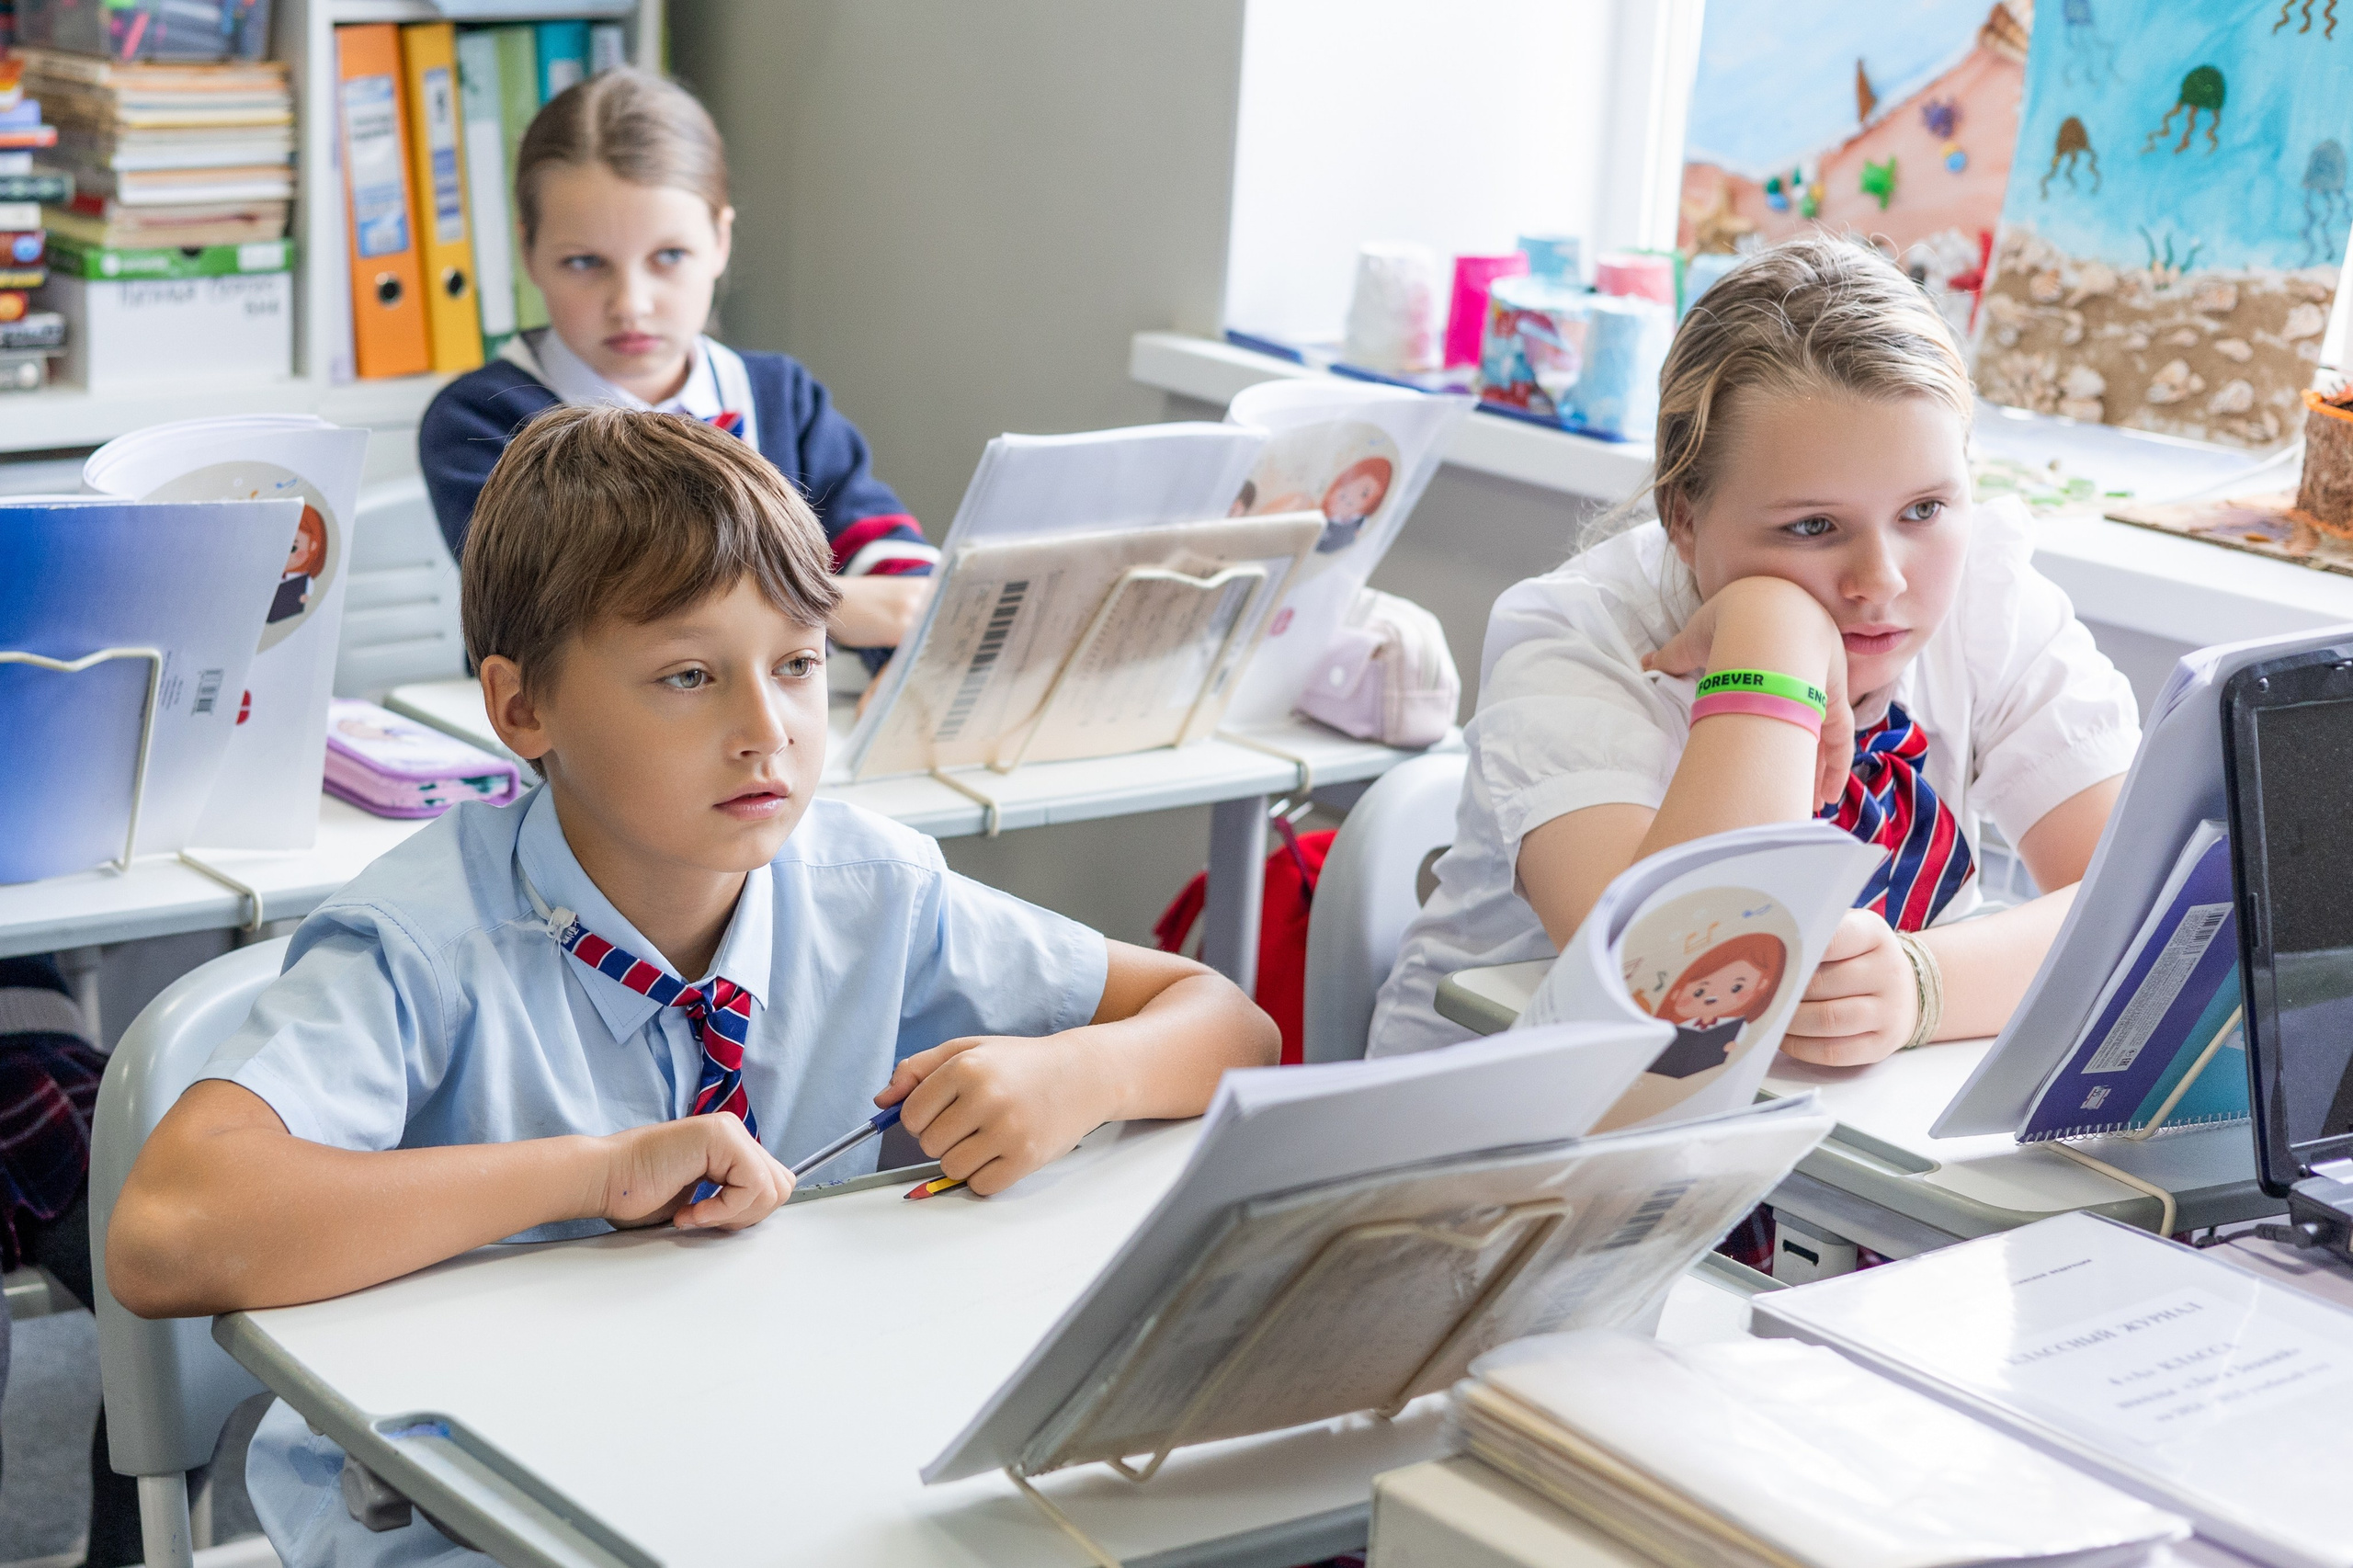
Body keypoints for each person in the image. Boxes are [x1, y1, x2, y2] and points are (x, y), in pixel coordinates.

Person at [106, 406, 1279, 1568]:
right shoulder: (422, 945)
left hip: (769, 1455)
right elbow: (167, 1234)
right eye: (686, 675)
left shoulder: (869, 887)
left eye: (800, 664)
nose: (765, 729)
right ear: (522, 707)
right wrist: (599, 1172)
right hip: (456, 1514)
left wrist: (1080, 1069)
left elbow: (1232, 1025)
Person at [1372, 235, 2141, 1064]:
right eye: (1812, 527)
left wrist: (1925, 985)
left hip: (1801, 1154)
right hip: (1511, 1150)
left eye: (1924, 510)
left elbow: (2151, 906)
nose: (1880, 581)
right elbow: (1669, 994)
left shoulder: (1985, 598)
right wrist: (1775, 637)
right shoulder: (1575, 641)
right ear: (1684, 518)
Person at [417, 67, 935, 668]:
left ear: (720, 241)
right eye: (585, 262)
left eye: (669, 256)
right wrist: (827, 606)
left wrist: (902, 669)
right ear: (528, 250)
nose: (630, 303)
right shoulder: (482, 418)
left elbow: (890, 572)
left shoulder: (782, 398)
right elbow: (589, 603)